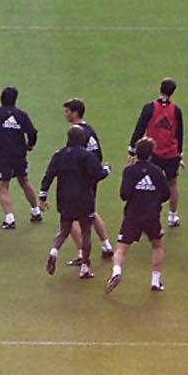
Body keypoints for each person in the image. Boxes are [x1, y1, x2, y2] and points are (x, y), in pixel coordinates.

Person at [40, 124, 109, 280]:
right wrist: (107, 170)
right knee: (86, 232)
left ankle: (53, 252)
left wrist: (42, 196)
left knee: (64, 231)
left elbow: (48, 175)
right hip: (84, 198)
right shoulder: (86, 156)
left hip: (64, 199)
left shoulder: (59, 155)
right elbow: (98, 174)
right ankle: (85, 267)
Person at [105, 138, 169, 295]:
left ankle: (116, 272)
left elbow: (124, 195)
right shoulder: (157, 172)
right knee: (157, 246)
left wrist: (127, 174)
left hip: (133, 215)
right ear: (151, 153)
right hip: (152, 215)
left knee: (121, 248)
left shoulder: (130, 171)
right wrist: (153, 199)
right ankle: (155, 281)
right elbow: (166, 194)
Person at [60, 98, 116, 261]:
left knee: (69, 216)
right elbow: (98, 155)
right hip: (91, 178)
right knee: (90, 212)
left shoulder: (76, 133)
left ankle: (81, 253)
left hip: (80, 181)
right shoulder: (89, 130)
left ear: (75, 112)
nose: (65, 114)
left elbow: (73, 157)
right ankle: (106, 245)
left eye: (67, 111)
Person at [129, 78, 185, 231]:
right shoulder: (176, 110)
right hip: (171, 153)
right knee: (172, 183)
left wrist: (132, 149)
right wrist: (179, 154)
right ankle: (173, 216)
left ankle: (148, 214)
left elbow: (139, 128)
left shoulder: (149, 108)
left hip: (152, 152)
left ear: (160, 89)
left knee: (149, 183)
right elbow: (180, 134)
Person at [0, 85, 41, 230]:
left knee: (3, 186)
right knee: (24, 181)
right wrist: (30, 146)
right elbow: (32, 132)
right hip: (19, 154)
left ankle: (9, 218)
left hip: (3, 155)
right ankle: (36, 211)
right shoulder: (21, 115)